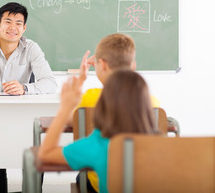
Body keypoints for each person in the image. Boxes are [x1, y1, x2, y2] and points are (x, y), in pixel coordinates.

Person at [38, 64, 157, 193]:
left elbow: (45, 154)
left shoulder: (98, 145)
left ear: (103, 105)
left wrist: (65, 107)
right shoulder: (163, 147)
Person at [74, 33, 160, 192]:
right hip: (140, 184)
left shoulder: (90, 98)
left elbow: (70, 121)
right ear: (133, 65)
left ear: (102, 65)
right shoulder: (152, 102)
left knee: (82, 176)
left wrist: (80, 81)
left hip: (100, 184)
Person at [0, 2, 57, 95]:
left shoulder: (31, 48)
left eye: (18, 23)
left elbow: (50, 83)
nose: (12, 27)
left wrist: (25, 89)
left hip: (16, 107)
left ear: (24, 28)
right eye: (8, 22)